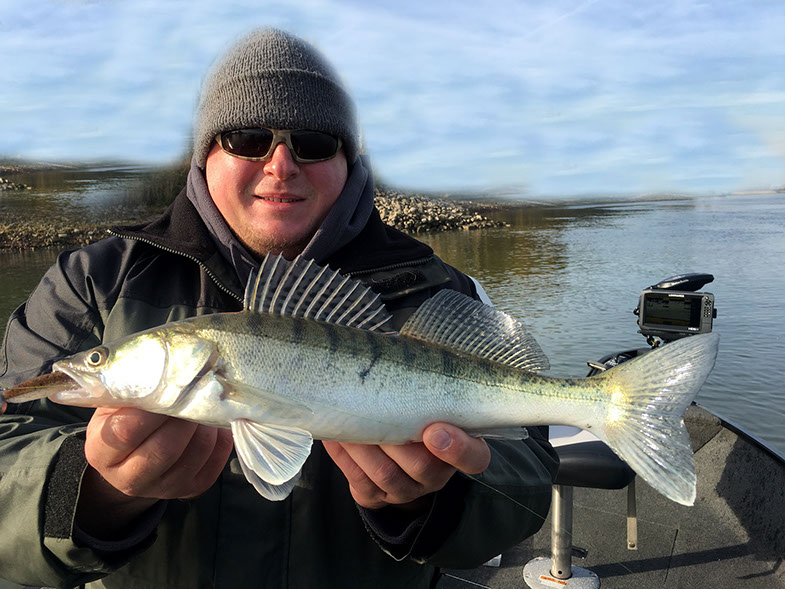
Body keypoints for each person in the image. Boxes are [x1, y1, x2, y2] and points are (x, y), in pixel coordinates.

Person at [0, 28, 558, 589]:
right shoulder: (94, 282)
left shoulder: (438, 289)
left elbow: (528, 476)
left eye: (313, 143)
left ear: (348, 160)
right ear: (205, 155)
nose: (281, 165)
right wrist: (94, 494)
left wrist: (436, 500)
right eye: (247, 139)